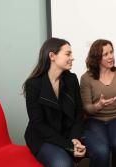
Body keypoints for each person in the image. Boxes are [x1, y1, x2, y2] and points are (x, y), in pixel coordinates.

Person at [23, 38, 86, 167]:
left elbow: (79, 113)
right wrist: (68, 145)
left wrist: (75, 139)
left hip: (68, 133)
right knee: (63, 164)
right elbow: (38, 124)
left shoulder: (71, 79)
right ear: (52, 56)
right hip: (41, 137)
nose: (72, 58)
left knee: (99, 149)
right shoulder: (33, 84)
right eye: (68, 54)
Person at [80, 39, 116, 167]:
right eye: (105, 54)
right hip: (94, 120)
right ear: (96, 58)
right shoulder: (86, 78)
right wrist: (99, 105)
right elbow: (86, 108)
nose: (111, 56)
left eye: (111, 52)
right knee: (102, 150)